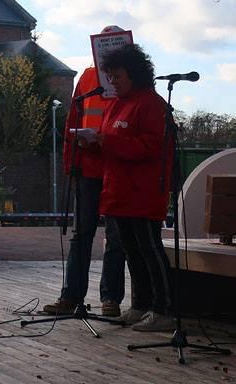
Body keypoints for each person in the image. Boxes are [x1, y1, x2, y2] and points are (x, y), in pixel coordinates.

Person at [79, 43, 174, 332]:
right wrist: (92, 145)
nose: (113, 82)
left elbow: (150, 147)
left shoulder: (152, 104)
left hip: (142, 192)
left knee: (149, 250)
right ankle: (141, 305)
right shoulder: (115, 105)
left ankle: (164, 309)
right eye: (110, 77)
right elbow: (112, 147)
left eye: (117, 77)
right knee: (132, 252)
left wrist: (106, 142)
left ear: (133, 74)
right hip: (118, 192)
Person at [43, 33, 127, 318]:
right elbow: (73, 120)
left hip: (116, 169)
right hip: (88, 167)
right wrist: (71, 162)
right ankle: (71, 296)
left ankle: (111, 299)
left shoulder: (131, 82)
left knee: (117, 237)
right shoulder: (88, 78)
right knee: (82, 234)